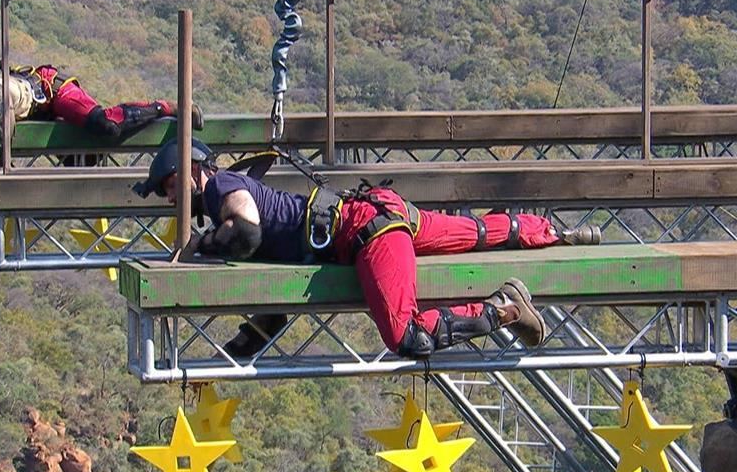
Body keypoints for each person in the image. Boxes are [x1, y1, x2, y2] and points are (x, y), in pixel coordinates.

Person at [133, 139, 602, 359]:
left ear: (193, 171)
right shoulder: (233, 192)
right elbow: (279, 294)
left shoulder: (221, 188)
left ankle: (502, 309)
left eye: (172, 186)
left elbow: (248, 232)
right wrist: (240, 349)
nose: (172, 198)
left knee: (408, 338)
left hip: (366, 233)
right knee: (473, 232)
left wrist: (204, 245)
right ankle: (556, 233)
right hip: (378, 210)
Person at [0, 64, 203, 188]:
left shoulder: (0, 97)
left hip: (51, 93)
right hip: (32, 108)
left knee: (105, 126)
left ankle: (168, 106)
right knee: (76, 173)